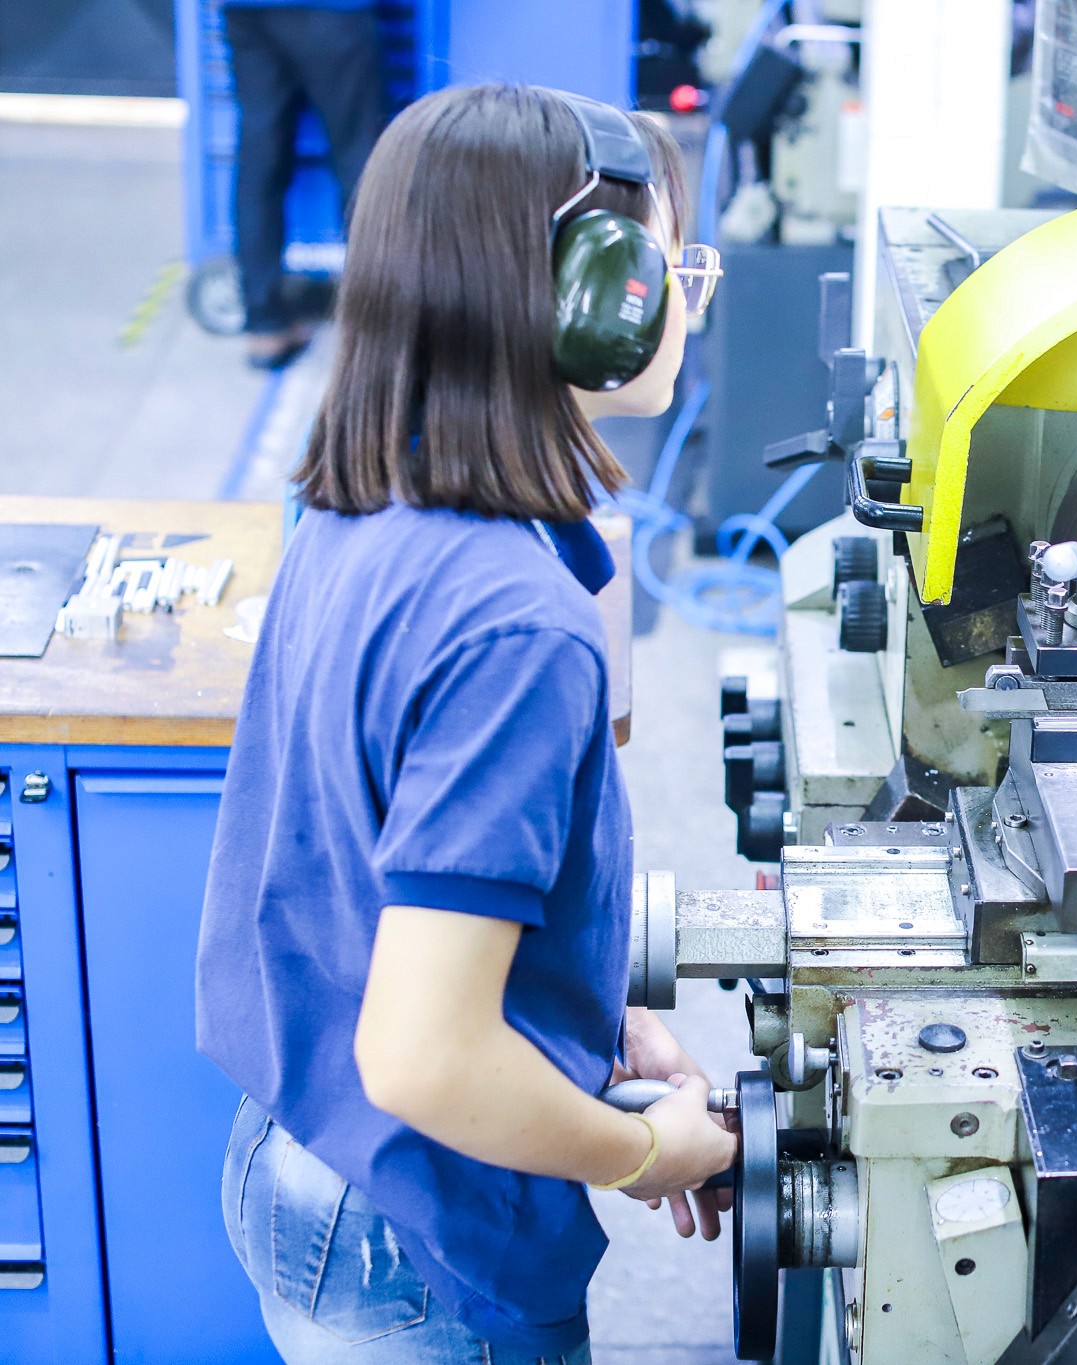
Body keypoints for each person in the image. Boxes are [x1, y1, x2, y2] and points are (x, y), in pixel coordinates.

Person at [196, 84, 733, 1364]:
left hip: (300, 1151)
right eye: (672, 265)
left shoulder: (366, 493)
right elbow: (428, 1056)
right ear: (591, 294)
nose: (687, 298)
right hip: (420, 1230)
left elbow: (383, 880)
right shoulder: (516, 630)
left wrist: (585, 1027)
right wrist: (643, 1148)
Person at [221, 0, 389, 367]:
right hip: (331, 12)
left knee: (259, 156)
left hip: (247, 9)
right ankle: (375, 331)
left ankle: (264, 325)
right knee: (358, 157)